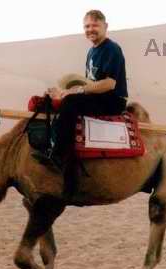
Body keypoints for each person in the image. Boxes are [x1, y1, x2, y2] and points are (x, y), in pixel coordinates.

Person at [32, 9, 128, 170]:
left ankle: (59, 155)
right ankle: (49, 144)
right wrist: (62, 91)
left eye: (95, 25)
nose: (90, 29)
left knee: (70, 102)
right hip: (98, 97)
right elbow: (89, 82)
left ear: (105, 26)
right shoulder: (92, 51)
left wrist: (76, 92)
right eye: (86, 26)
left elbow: (109, 84)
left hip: (113, 100)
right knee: (52, 99)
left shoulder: (112, 49)